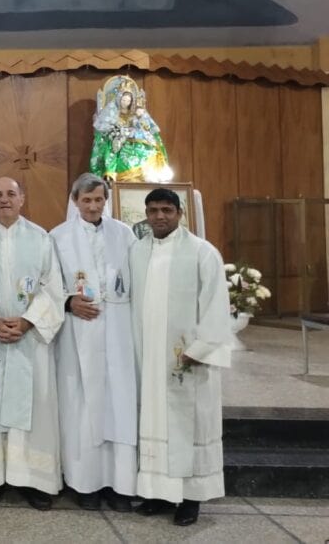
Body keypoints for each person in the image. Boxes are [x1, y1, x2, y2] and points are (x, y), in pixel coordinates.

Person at [126, 188, 231, 527]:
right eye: (153, 210)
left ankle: (191, 498)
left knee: (189, 426)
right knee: (153, 422)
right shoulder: (137, 252)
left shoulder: (202, 252)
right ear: (145, 214)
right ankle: (157, 492)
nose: (159, 217)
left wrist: (201, 349)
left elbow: (216, 304)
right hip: (149, 359)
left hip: (186, 359)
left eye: (166, 210)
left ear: (179, 213)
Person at [0, 177, 64, 510]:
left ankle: (33, 479)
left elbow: (53, 289)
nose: (4, 200)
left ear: (22, 198)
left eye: (10, 194)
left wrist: (27, 321)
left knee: (34, 405)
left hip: (29, 339)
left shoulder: (41, 239)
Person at [50, 174, 137, 512]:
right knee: (81, 406)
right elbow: (47, 283)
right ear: (75, 201)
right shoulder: (58, 237)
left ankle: (119, 484)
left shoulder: (124, 235)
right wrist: (67, 301)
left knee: (119, 404)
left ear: (106, 200)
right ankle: (84, 483)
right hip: (78, 334)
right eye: (86, 201)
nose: (93, 206)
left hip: (118, 331)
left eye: (98, 200)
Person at [89, 75, 171, 183]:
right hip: (120, 140)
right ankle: (112, 172)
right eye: (124, 99)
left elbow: (146, 127)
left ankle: (148, 174)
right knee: (112, 148)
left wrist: (140, 118)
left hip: (135, 139)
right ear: (119, 99)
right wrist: (118, 132)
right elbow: (106, 130)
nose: (126, 102)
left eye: (128, 100)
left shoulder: (135, 114)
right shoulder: (112, 113)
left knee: (150, 148)